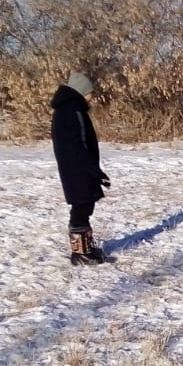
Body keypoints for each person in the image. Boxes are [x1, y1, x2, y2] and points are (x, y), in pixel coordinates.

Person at [51, 71, 111, 266]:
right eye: (90, 92)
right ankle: (81, 253)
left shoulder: (65, 108)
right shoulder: (73, 111)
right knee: (82, 207)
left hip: (72, 166)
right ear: (81, 91)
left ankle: (84, 248)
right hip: (78, 168)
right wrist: (95, 171)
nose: (92, 96)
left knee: (82, 206)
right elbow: (80, 144)